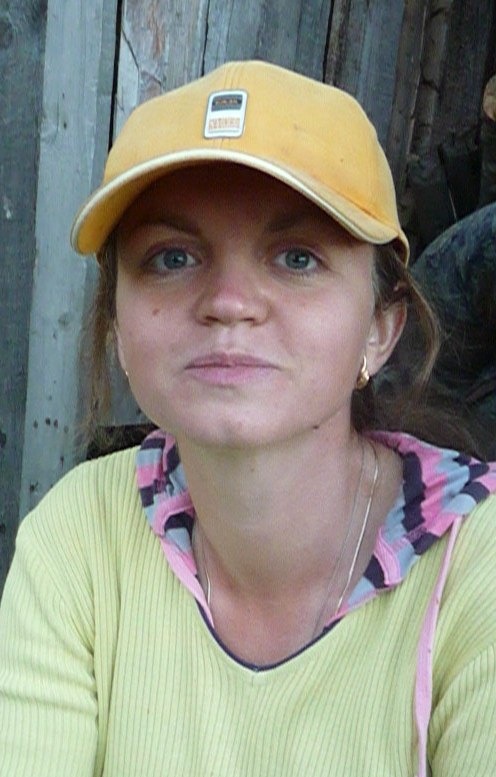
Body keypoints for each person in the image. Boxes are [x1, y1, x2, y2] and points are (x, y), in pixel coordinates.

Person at [1, 60, 495, 777]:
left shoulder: (476, 567)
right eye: (172, 257)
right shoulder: (78, 537)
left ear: (380, 327)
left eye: (297, 257)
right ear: (117, 328)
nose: (230, 301)